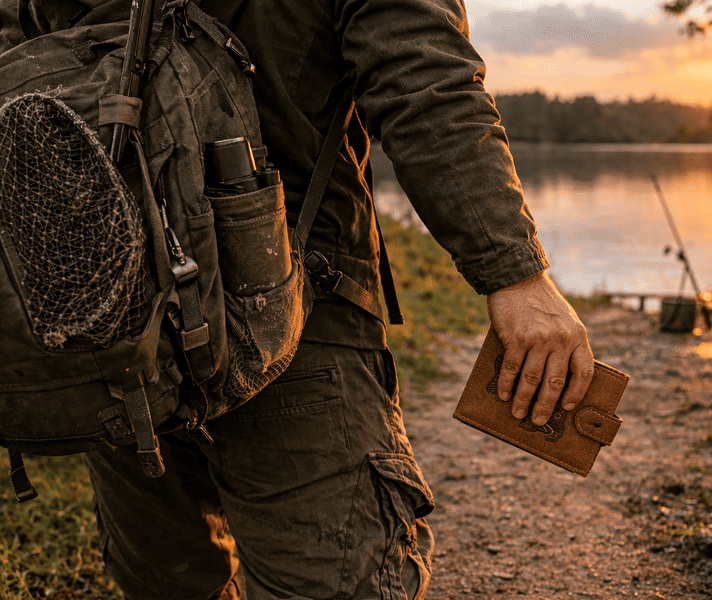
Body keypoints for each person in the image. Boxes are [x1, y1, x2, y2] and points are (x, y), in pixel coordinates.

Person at [5, 0, 594, 597]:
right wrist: (515, 276)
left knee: (170, 578)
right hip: (293, 318)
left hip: (111, 321)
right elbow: (425, 86)